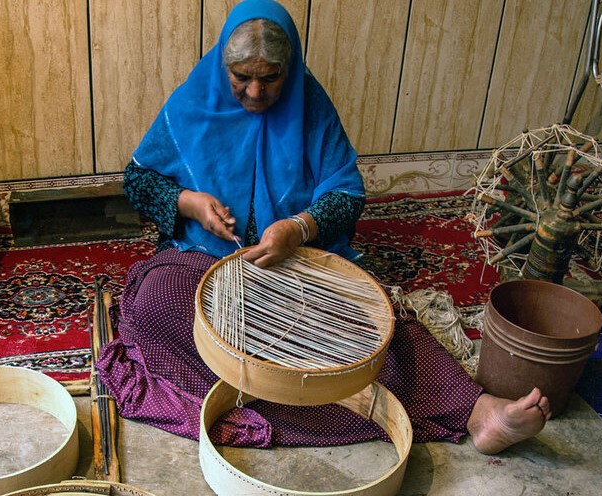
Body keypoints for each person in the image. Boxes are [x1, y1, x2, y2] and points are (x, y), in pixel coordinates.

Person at [98, 0, 550, 455]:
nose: (255, 92)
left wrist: (297, 228)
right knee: (158, 306)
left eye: (271, 78)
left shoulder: (310, 106)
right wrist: (190, 203)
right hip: (200, 260)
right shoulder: (192, 101)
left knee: (377, 330)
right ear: (222, 65)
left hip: (296, 264)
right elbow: (139, 179)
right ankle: (293, 400)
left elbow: (346, 194)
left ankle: (478, 411)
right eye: (241, 76)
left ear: (290, 67)